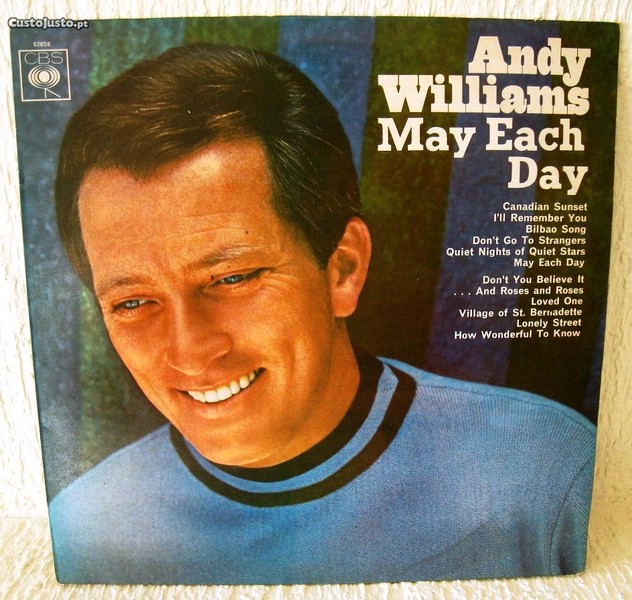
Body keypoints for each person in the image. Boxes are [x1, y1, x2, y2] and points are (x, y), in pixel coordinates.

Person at [49, 44, 596, 585]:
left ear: (343, 270)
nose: (190, 351)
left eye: (233, 278)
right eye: (133, 303)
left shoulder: (547, 475)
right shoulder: (82, 530)